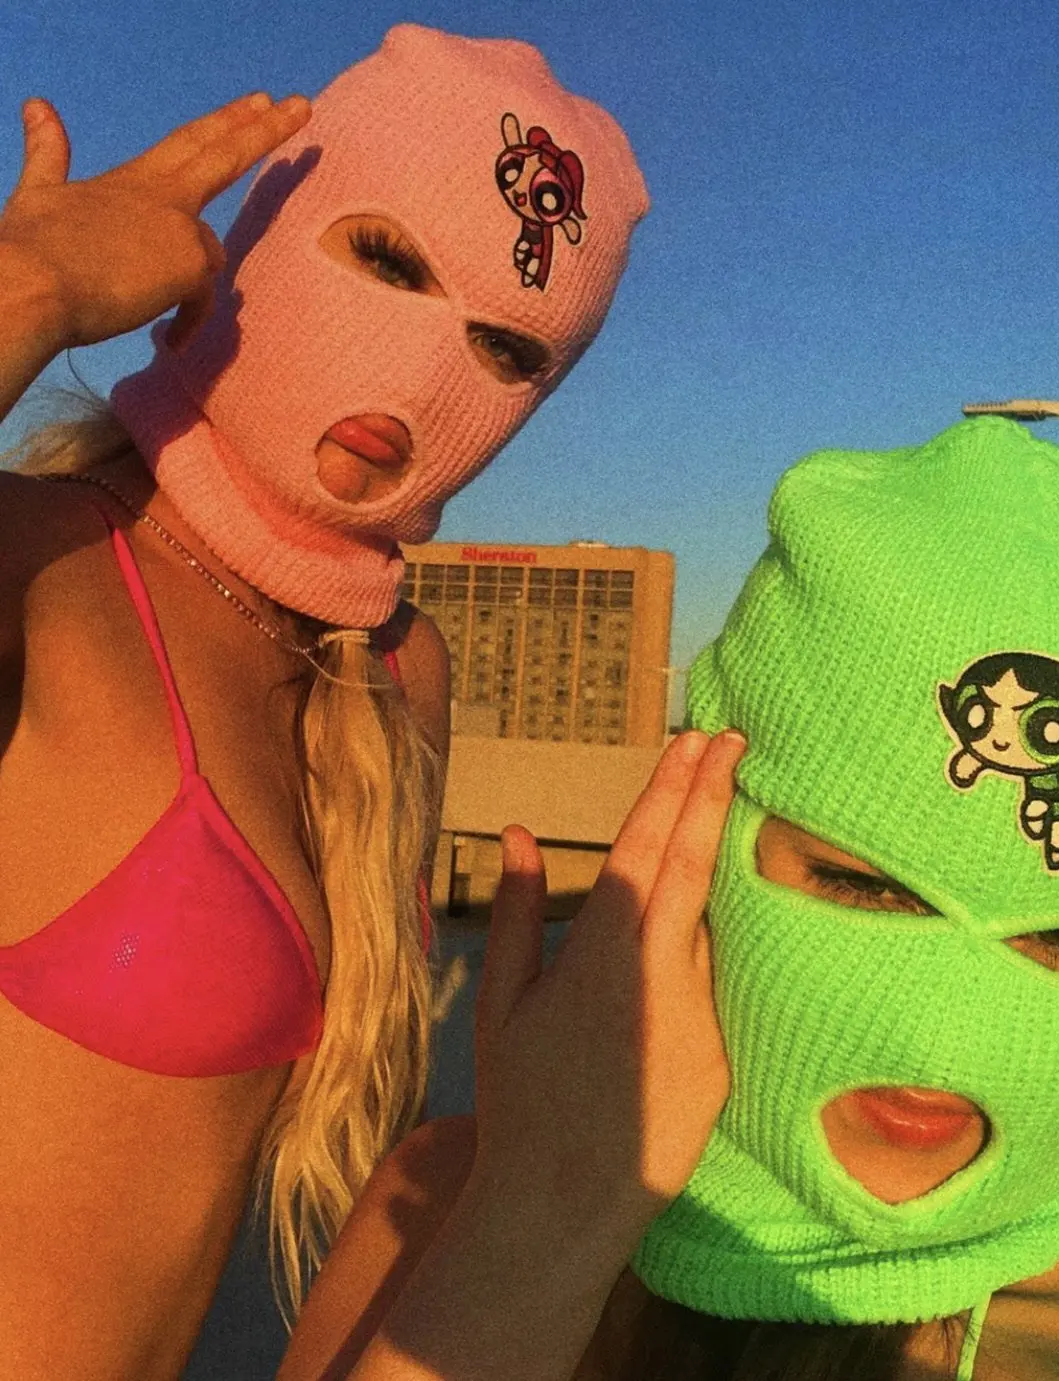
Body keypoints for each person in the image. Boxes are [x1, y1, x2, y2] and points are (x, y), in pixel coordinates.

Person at [0, 24, 648, 1380]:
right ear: (253, 249)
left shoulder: (395, 671)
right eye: (389, 260)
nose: (422, 371)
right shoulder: (45, 566)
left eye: (507, 347)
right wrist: (27, 288)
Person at [277, 417, 1059, 1381]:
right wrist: (533, 1230)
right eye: (863, 885)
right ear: (703, 836)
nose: (943, 1033)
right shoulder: (441, 1211)